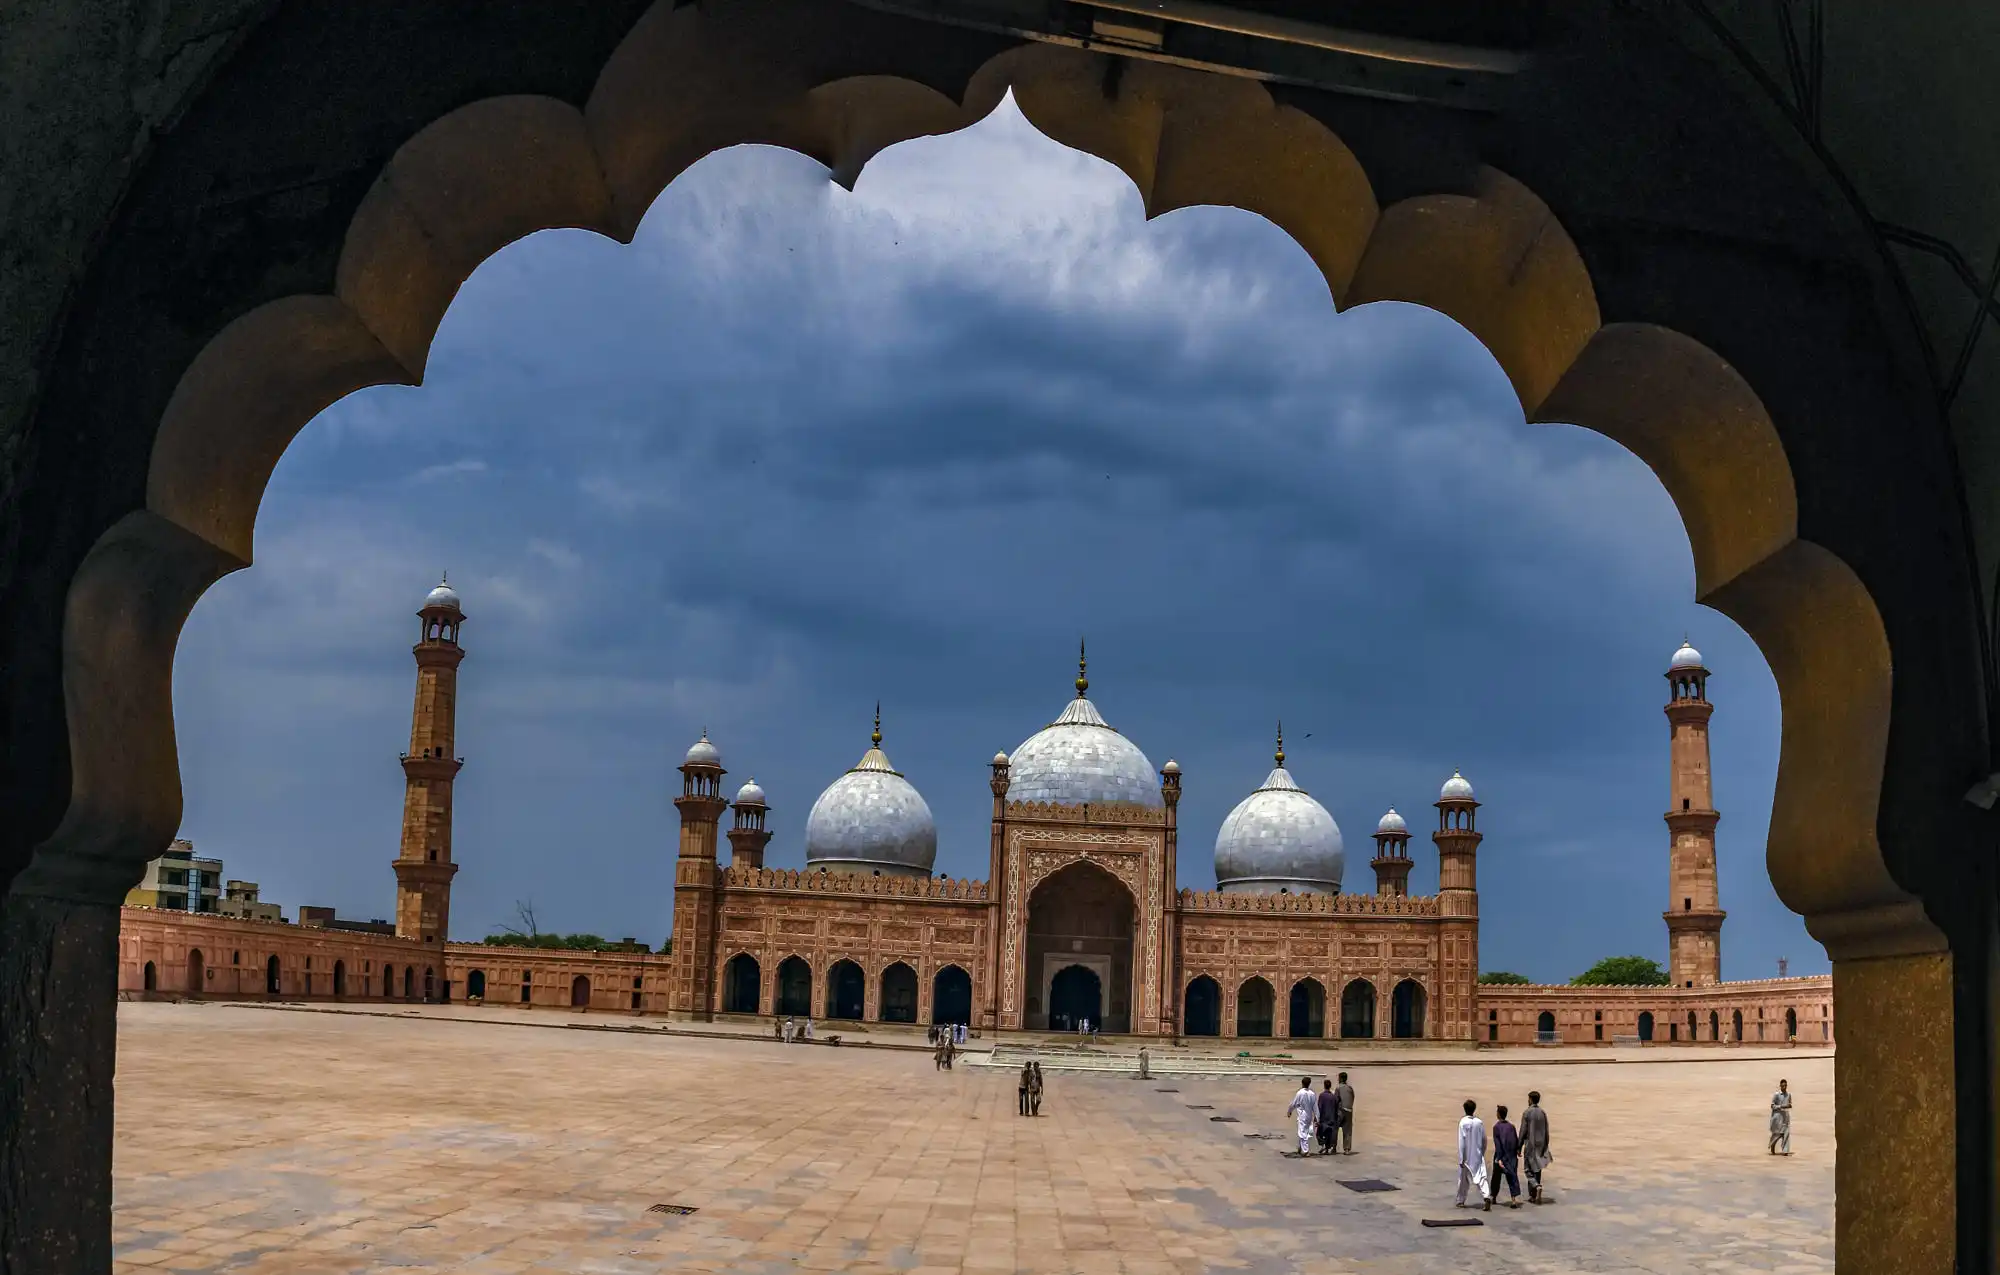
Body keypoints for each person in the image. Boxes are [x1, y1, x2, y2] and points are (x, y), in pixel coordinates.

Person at [1455, 1099, 1491, 1210]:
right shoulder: (1479, 1122)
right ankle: (1486, 1196)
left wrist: (1461, 1158)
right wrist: (1482, 1153)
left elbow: (1462, 1142)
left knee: (1463, 1179)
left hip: (1466, 1156)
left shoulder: (1462, 1122)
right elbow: (1484, 1139)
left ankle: (1461, 1200)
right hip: (1477, 1154)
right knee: (1481, 1177)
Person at [1519, 1090, 1552, 1203]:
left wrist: (1519, 1146)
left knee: (1528, 1170)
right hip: (1541, 1144)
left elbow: (1523, 1131)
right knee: (1537, 1169)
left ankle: (1536, 1187)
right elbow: (1547, 1130)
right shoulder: (1542, 1113)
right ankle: (1534, 1196)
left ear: (1531, 1099)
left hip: (1530, 1145)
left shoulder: (1527, 1113)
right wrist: (1546, 1144)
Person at [1490, 1104, 1522, 1207]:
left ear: (1498, 1115)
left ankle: (1493, 1197)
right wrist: (1518, 1150)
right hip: (1511, 1156)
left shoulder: (1496, 1127)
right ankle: (1513, 1200)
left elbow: (1498, 1144)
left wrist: (1499, 1158)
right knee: (1512, 1176)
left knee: (1496, 1177)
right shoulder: (1511, 1126)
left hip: (1501, 1156)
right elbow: (1515, 1140)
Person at [1288, 1078, 1317, 1156]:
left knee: (1302, 1132)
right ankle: (1300, 1147)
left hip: (1302, 1115)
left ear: (1302, 1083)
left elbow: (1294, 1103)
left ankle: (1306, 1150)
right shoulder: (1312, 1094)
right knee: (1304, 1131)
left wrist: (1289, 1111)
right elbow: (1315, 1107)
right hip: (1309, 1115)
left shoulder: (1300, 1093)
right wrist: (1317, 1116)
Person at [1316, 1080, 1340, 1155]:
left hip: (1324, 1118)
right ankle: (1326, 1149)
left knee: (1319, 1134)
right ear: (1330, 1086)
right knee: (1328, 1134)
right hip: (1331, 1118)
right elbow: (1336, 1107)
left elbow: (1319, 1107)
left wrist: (1317, 1118)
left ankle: (1323, 1145)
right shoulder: (1333, 1096)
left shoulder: (1322, 1095)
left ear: (1324, 1086)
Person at [1769, 1079, 1792, 1155]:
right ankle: (1772, 1145)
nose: (1784, 1087)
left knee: (1786, 1133)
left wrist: (1788, 1106)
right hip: (1777, 1118)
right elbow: (1772, 1106)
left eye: (1785, 1085)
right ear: (1780, 1086)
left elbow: (1789, 1104)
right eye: (1783, 1086)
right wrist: (1781, 1106)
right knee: (1777, 1134)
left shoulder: (1788, 1095)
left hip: (1785, 1117)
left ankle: (1785, 1151)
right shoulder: (1777, 1094)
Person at [1335, 1072, 1355, 1154]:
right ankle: (1347, 1149)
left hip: (1341, 1110)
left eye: (1339, 1078)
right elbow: (1353, 1097)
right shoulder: (1350, 1088)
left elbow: (1336, 1100)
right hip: (1349, 1110)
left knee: (1335, 1129)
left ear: (1341, 1079)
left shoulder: (1338, 1088)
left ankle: (1333, 1147)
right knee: (1348, 1130)